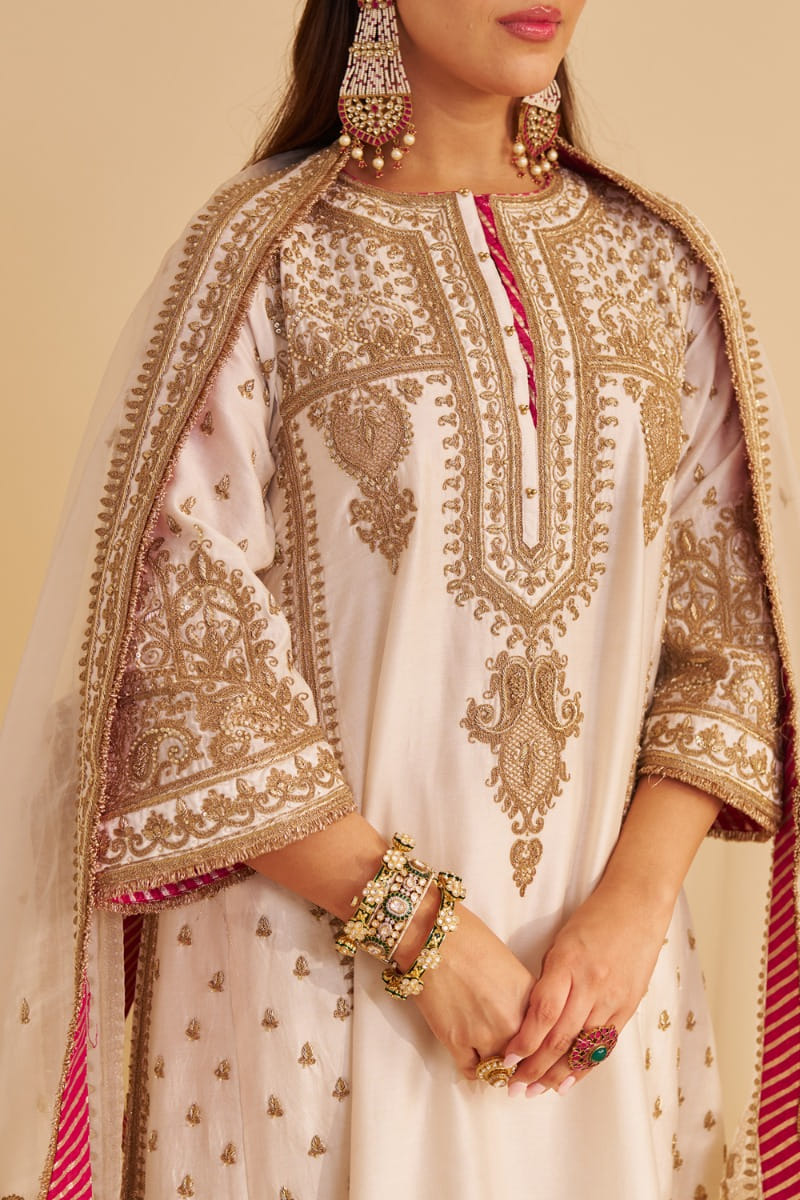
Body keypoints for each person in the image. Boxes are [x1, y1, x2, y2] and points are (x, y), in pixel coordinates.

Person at [2, 1, 799, 1197]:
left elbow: (726, 631)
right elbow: (184, 656)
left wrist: (631, 913)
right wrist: (419, 932)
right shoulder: (267, 261)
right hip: (313, 997)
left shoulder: (658, 266)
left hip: (600, 1000)